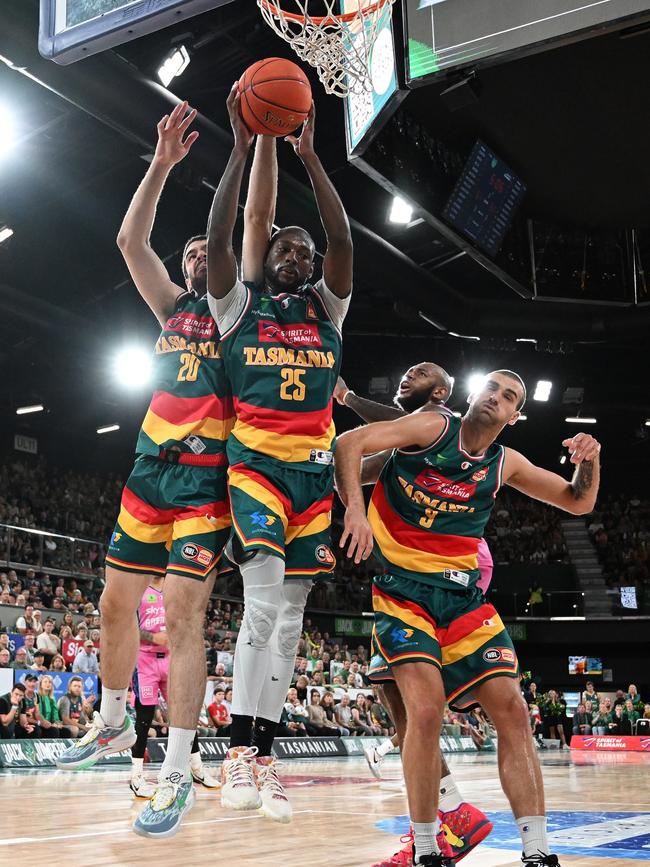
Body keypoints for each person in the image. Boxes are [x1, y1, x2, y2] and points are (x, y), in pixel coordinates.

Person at [335, 369, 600, 866]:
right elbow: (348, 443)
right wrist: (353, 509)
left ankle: (538, 851)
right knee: (425, 711)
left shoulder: (506, 463)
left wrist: (591, 461)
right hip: (404, 592)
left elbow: (578, 500)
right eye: (492, 388)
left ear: (515, 415)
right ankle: (428, 849)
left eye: (509, 397)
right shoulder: (434, 425)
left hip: (462, 599)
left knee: (514, 710)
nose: (496, 398)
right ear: (473, 394)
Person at [55, 102, 233, 840]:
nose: (195, 258)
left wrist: (244, 154)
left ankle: (177, 769)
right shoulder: (170, 312)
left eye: (204, 252)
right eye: (188, 252)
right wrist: (161, 163)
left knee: (185, 620)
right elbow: (130, 239)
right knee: (111, 605)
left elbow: (235, 237)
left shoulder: (239, 317)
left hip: (206, 483)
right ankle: (113, 718)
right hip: (147, 474)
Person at [206, 87, 352, 824]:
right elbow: (232, 233)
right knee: (261, 611)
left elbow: (344, 243)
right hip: (258, 471)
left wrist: (312, 159)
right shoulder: (239, 304)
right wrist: (240, 149)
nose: (297, 255)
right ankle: (235, 750)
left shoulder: (327, 308)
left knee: (291, 625)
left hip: (315, 482)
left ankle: (266, 758)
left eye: (306, 250)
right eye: (285, 248)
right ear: (269, 258)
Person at [336, 366, 494, 865]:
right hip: (414, 571)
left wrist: (351, 398)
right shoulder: (408, 446)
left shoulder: (440, 421)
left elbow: (385, 430)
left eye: (423, 372)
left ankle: (439, 824)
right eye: (406, 371)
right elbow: (359, 464)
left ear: (444, 393)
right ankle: (451, 812)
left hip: (442, 570)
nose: (409, 374)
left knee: (415, 705)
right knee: (394, 699)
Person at [130, 579, 220, 799]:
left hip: (172, 659)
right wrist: (153, 637)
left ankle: (197, 768)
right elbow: (127, 626)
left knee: (184, 717)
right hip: (145, 660)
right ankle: (136, 777)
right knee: (144, 718)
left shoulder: (175, 586)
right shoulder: (138, 587)